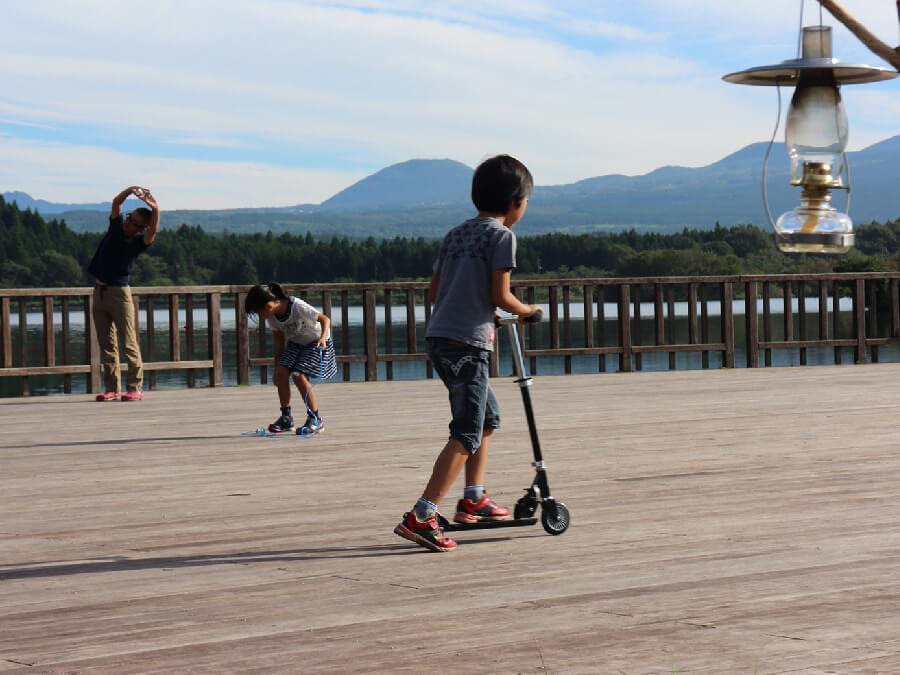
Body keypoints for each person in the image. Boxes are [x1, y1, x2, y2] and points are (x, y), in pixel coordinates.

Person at [393, 154, 542, 552]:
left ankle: (473, 496)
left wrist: (484, 314)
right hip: (466, 346)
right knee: (466, 430)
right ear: (515, 201)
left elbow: (436, 293)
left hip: (440, 338)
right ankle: (422, 515)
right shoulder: (502, 236)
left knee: (486, 418)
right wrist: (528, 311)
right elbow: (501, 294)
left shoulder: (456, 234)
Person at [88, 186, 159, 402]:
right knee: (106, 344)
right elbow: (116, 204)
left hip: (119, 293)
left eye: (134, 222)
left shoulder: (138, 243)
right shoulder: (115, 228)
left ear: (140, 228)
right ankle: (112, 388)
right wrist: (129, 190)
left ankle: (134, 387)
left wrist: (155, 209)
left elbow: (153, 230)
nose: (128, 222)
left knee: (128, 342)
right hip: (99, 291)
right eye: (129, 218)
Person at [244, 282, 337, 435]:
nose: (260, 316)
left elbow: (325, 319)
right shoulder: (272, 317)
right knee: (282, 372)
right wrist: (276, 369)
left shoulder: (297, 306)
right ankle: (286, 418)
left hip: (316, 341)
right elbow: (279, 342)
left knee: (298, 375)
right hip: (296, 343)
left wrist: (323, 339)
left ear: (268, 306)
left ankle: (315, 418)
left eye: (258, 312)